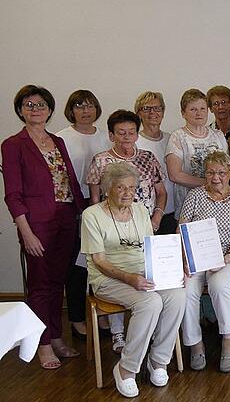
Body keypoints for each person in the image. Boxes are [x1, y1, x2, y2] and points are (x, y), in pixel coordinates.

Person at [80, 162, 185, 398]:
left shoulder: (139, 210)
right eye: (121, 188)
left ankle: (158, 361)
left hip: (143, 274)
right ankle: (126, 369)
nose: (128, 193)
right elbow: (98, 260)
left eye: (132, 187)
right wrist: (129, 278)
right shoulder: (92, 215)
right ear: (108, 189)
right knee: (150, 303)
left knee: (178, 294)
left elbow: (150, 249)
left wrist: (171, 271)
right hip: (108, 278)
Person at [2, 85, 86, 369]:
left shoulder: (57, 141)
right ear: (20, 110)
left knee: (57, 282)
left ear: (49, 110)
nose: (35, 109)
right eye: (28, 104)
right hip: (35, 223)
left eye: (40, 105)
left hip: (65, 218)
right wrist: (26, 232)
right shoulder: (13, 144)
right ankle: (42, 344)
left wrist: (80, 216)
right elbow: (12, 194)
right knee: (39, 285)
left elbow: (70, 182)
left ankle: (56, 337)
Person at [178, 152, 230, 373]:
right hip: (197, 257)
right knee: (187, 289)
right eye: (210, 172)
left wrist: (227, 256)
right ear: (204, 174)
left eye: (221, 172)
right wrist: (185, 259)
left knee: (219, 284)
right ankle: (195, 343)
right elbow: (182, 229)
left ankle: (228, 338)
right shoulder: (195, 196)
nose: (215, 177)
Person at [56, 89, 111, 341]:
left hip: (101, 204)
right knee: (78, 265)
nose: (85, 110)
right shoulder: (60, 138)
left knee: (101, 263)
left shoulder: (105, 137)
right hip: (73, 205)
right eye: (79, 106)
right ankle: (77, 318)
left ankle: (100, 315)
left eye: (90, 105)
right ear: (71, 110)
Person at [86, 110, 167, 231]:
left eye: (131, 132)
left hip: (147, 223)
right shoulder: (100, 161)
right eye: (121, 133)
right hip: (113, 225)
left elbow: (161, 192)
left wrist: (157, 217)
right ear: (111, 135)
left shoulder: (148, 157)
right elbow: (95, 200)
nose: (127, 137)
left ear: (137, 135)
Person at [166, 88, 228, 219]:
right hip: (188, 208)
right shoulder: (178, 137)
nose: (198, 113)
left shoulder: (218, 135)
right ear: (183, 113)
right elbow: (175, 175)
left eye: (202, 108)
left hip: (218, 207)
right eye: (193, 109)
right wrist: (209, 183)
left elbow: (227, 169)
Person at [135, 91, 177, 234]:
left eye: (157, 108)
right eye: (146, 108)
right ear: (138, 113)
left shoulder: (172, 139)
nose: (152, 112)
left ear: (163, 112)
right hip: (145, 213)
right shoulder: (134, 142)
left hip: (172, 210)